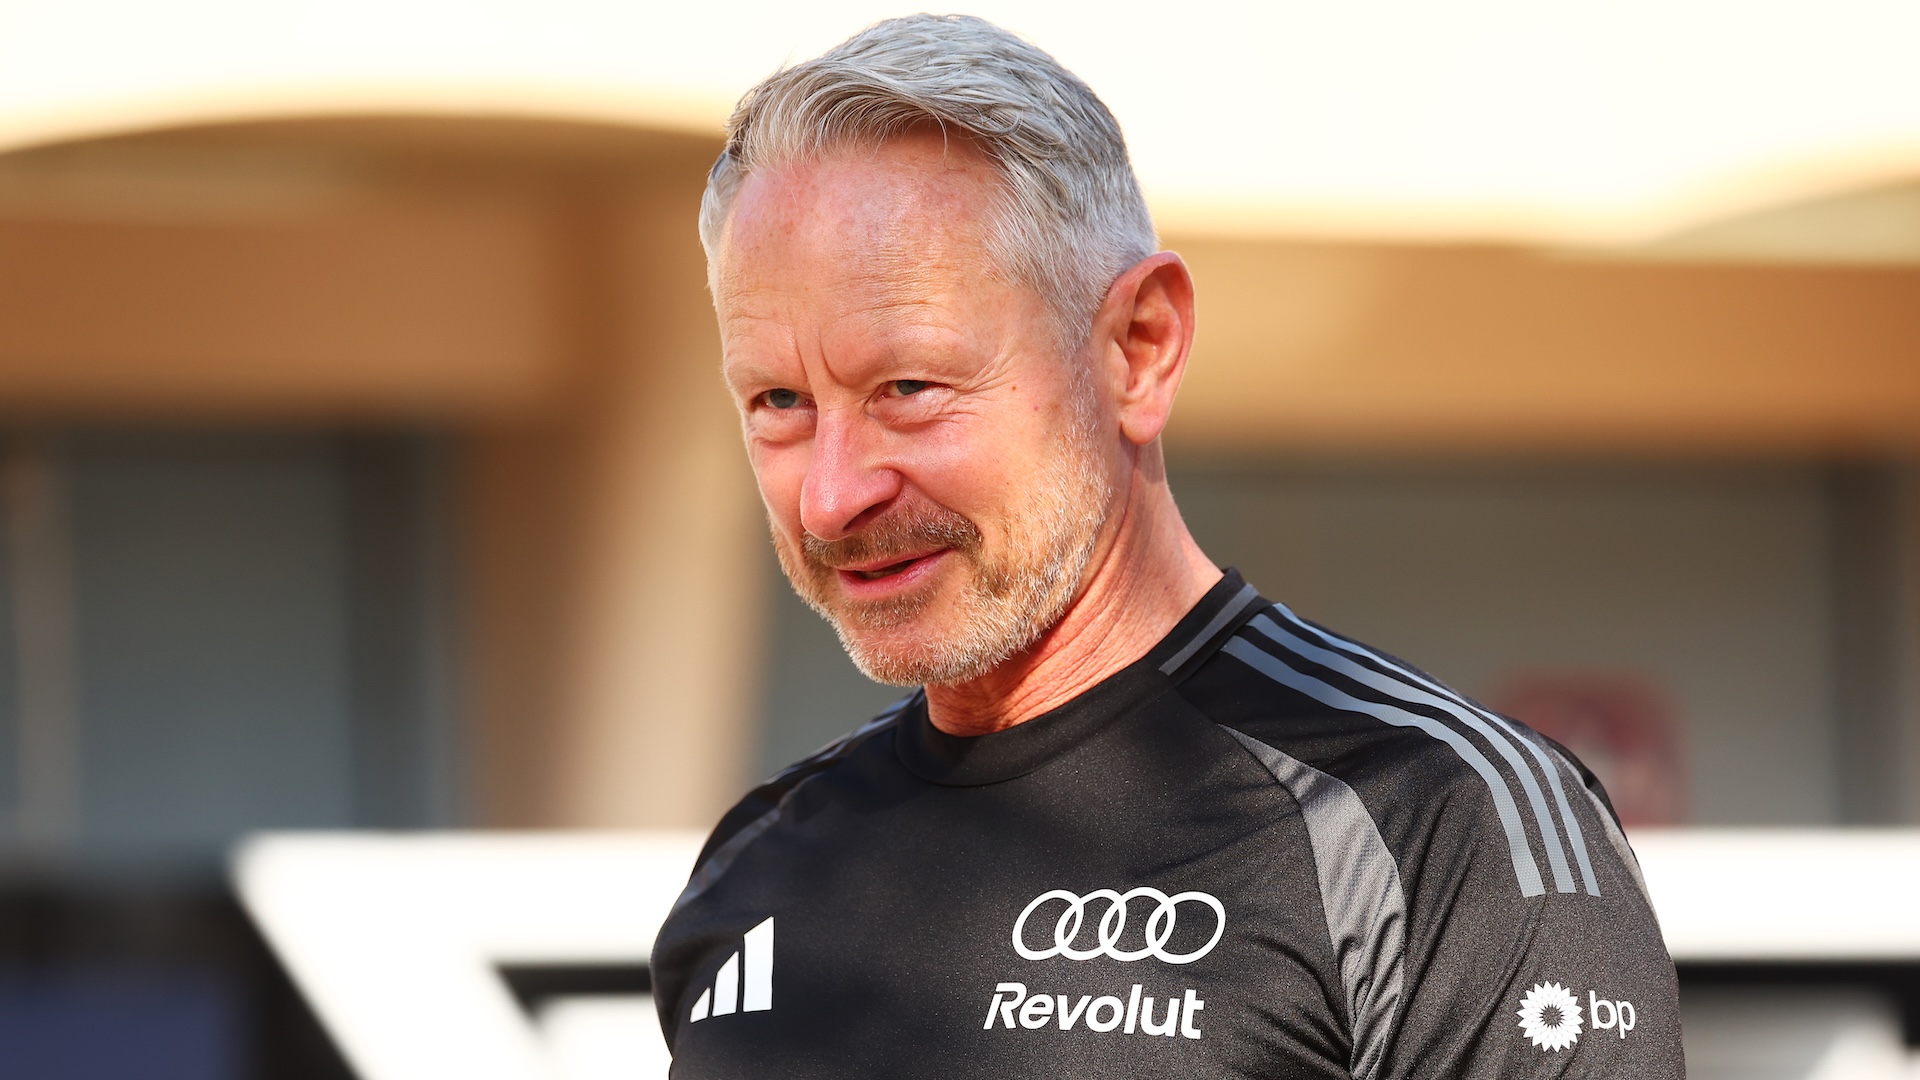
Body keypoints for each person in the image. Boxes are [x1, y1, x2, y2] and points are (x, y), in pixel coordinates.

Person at [652, 14, 1683, 1078]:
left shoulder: (1438, 823)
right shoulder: (757, 865)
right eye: (778, 400)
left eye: (908, 389)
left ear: (1139, 350)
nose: (830, 497)